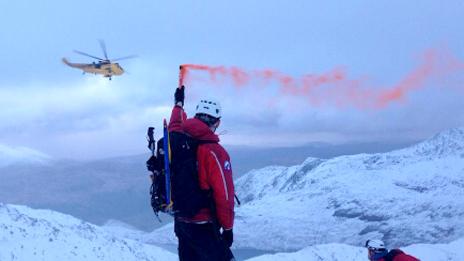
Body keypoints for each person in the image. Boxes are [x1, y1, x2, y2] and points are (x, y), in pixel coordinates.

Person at [169, 86, 235, 261]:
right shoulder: (215, 152)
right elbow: (224, 195)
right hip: (204, 226)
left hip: (181, 222)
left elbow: (174, 124)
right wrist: (228, 228)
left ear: (196, 116)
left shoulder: (177, 138)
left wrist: (178, 104)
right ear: (217, 122)